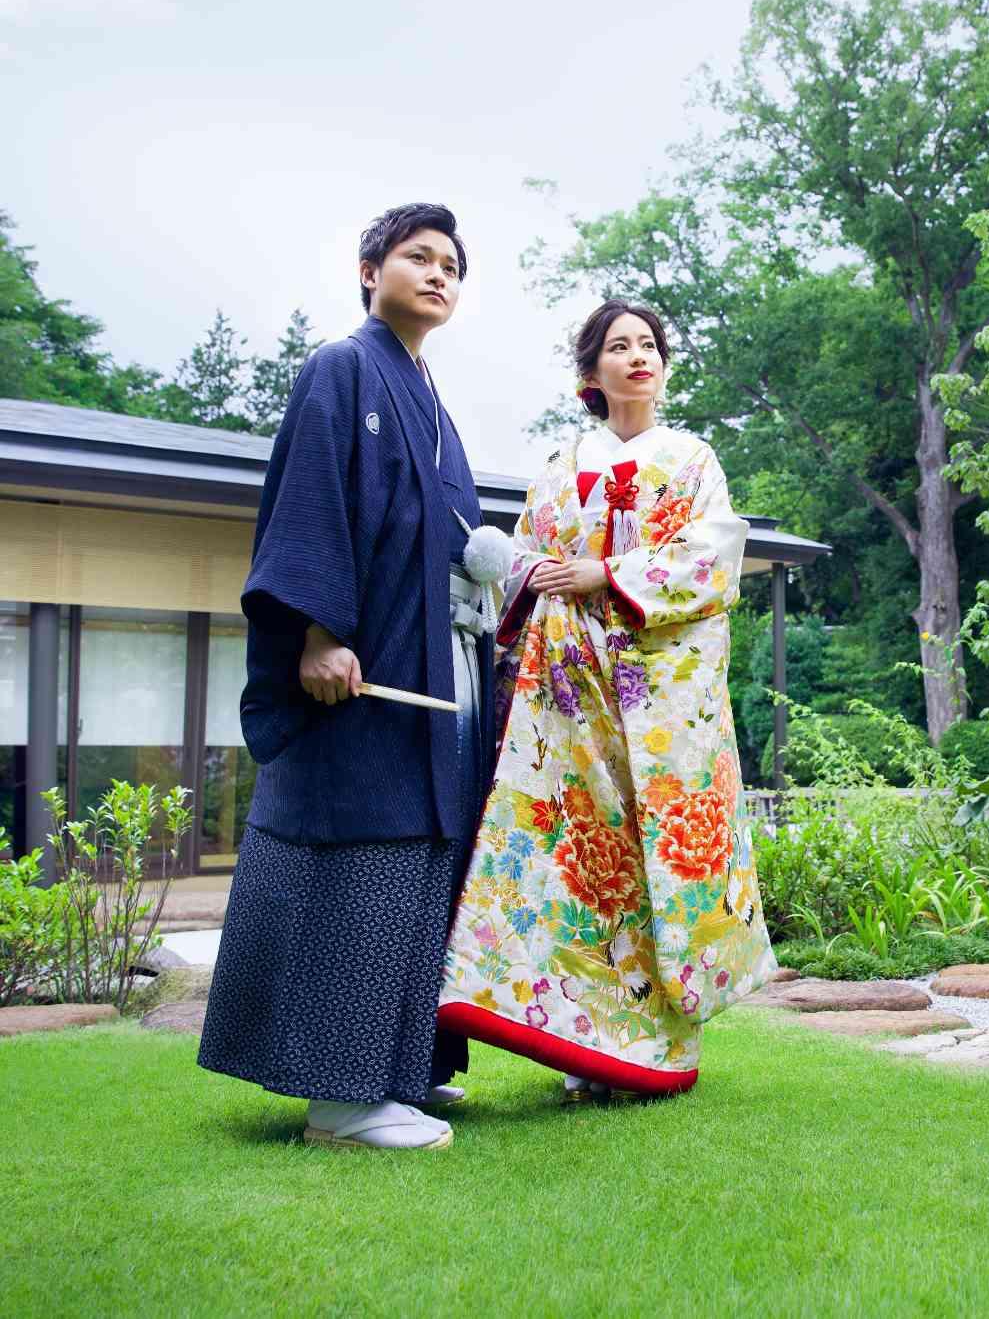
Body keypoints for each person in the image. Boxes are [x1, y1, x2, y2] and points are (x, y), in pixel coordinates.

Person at [198, 203, 496, 1151]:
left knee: (419, 854)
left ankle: (397, 1069)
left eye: (452, 263)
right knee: (363, 854)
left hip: (428, 667)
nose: (438, 274)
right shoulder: (343, 367)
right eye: (419, 257)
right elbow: (313, 500)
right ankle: (340, 1095)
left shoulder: (430, 398)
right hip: (358, 669)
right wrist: (317, 632)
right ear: (371, 270)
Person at [440, 299, 776, 1102]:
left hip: (660, 699)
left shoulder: (693, 459)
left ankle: (657, 1050)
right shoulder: (560, 467)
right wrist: (527, 570)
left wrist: (609, 575)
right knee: (574, 860)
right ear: (591, 373)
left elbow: (714, 557)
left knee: (657, 855)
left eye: (650, 345)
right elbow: (523, 560)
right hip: (571, 693)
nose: (638, 357)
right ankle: (581, 1050)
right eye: (618, 347)